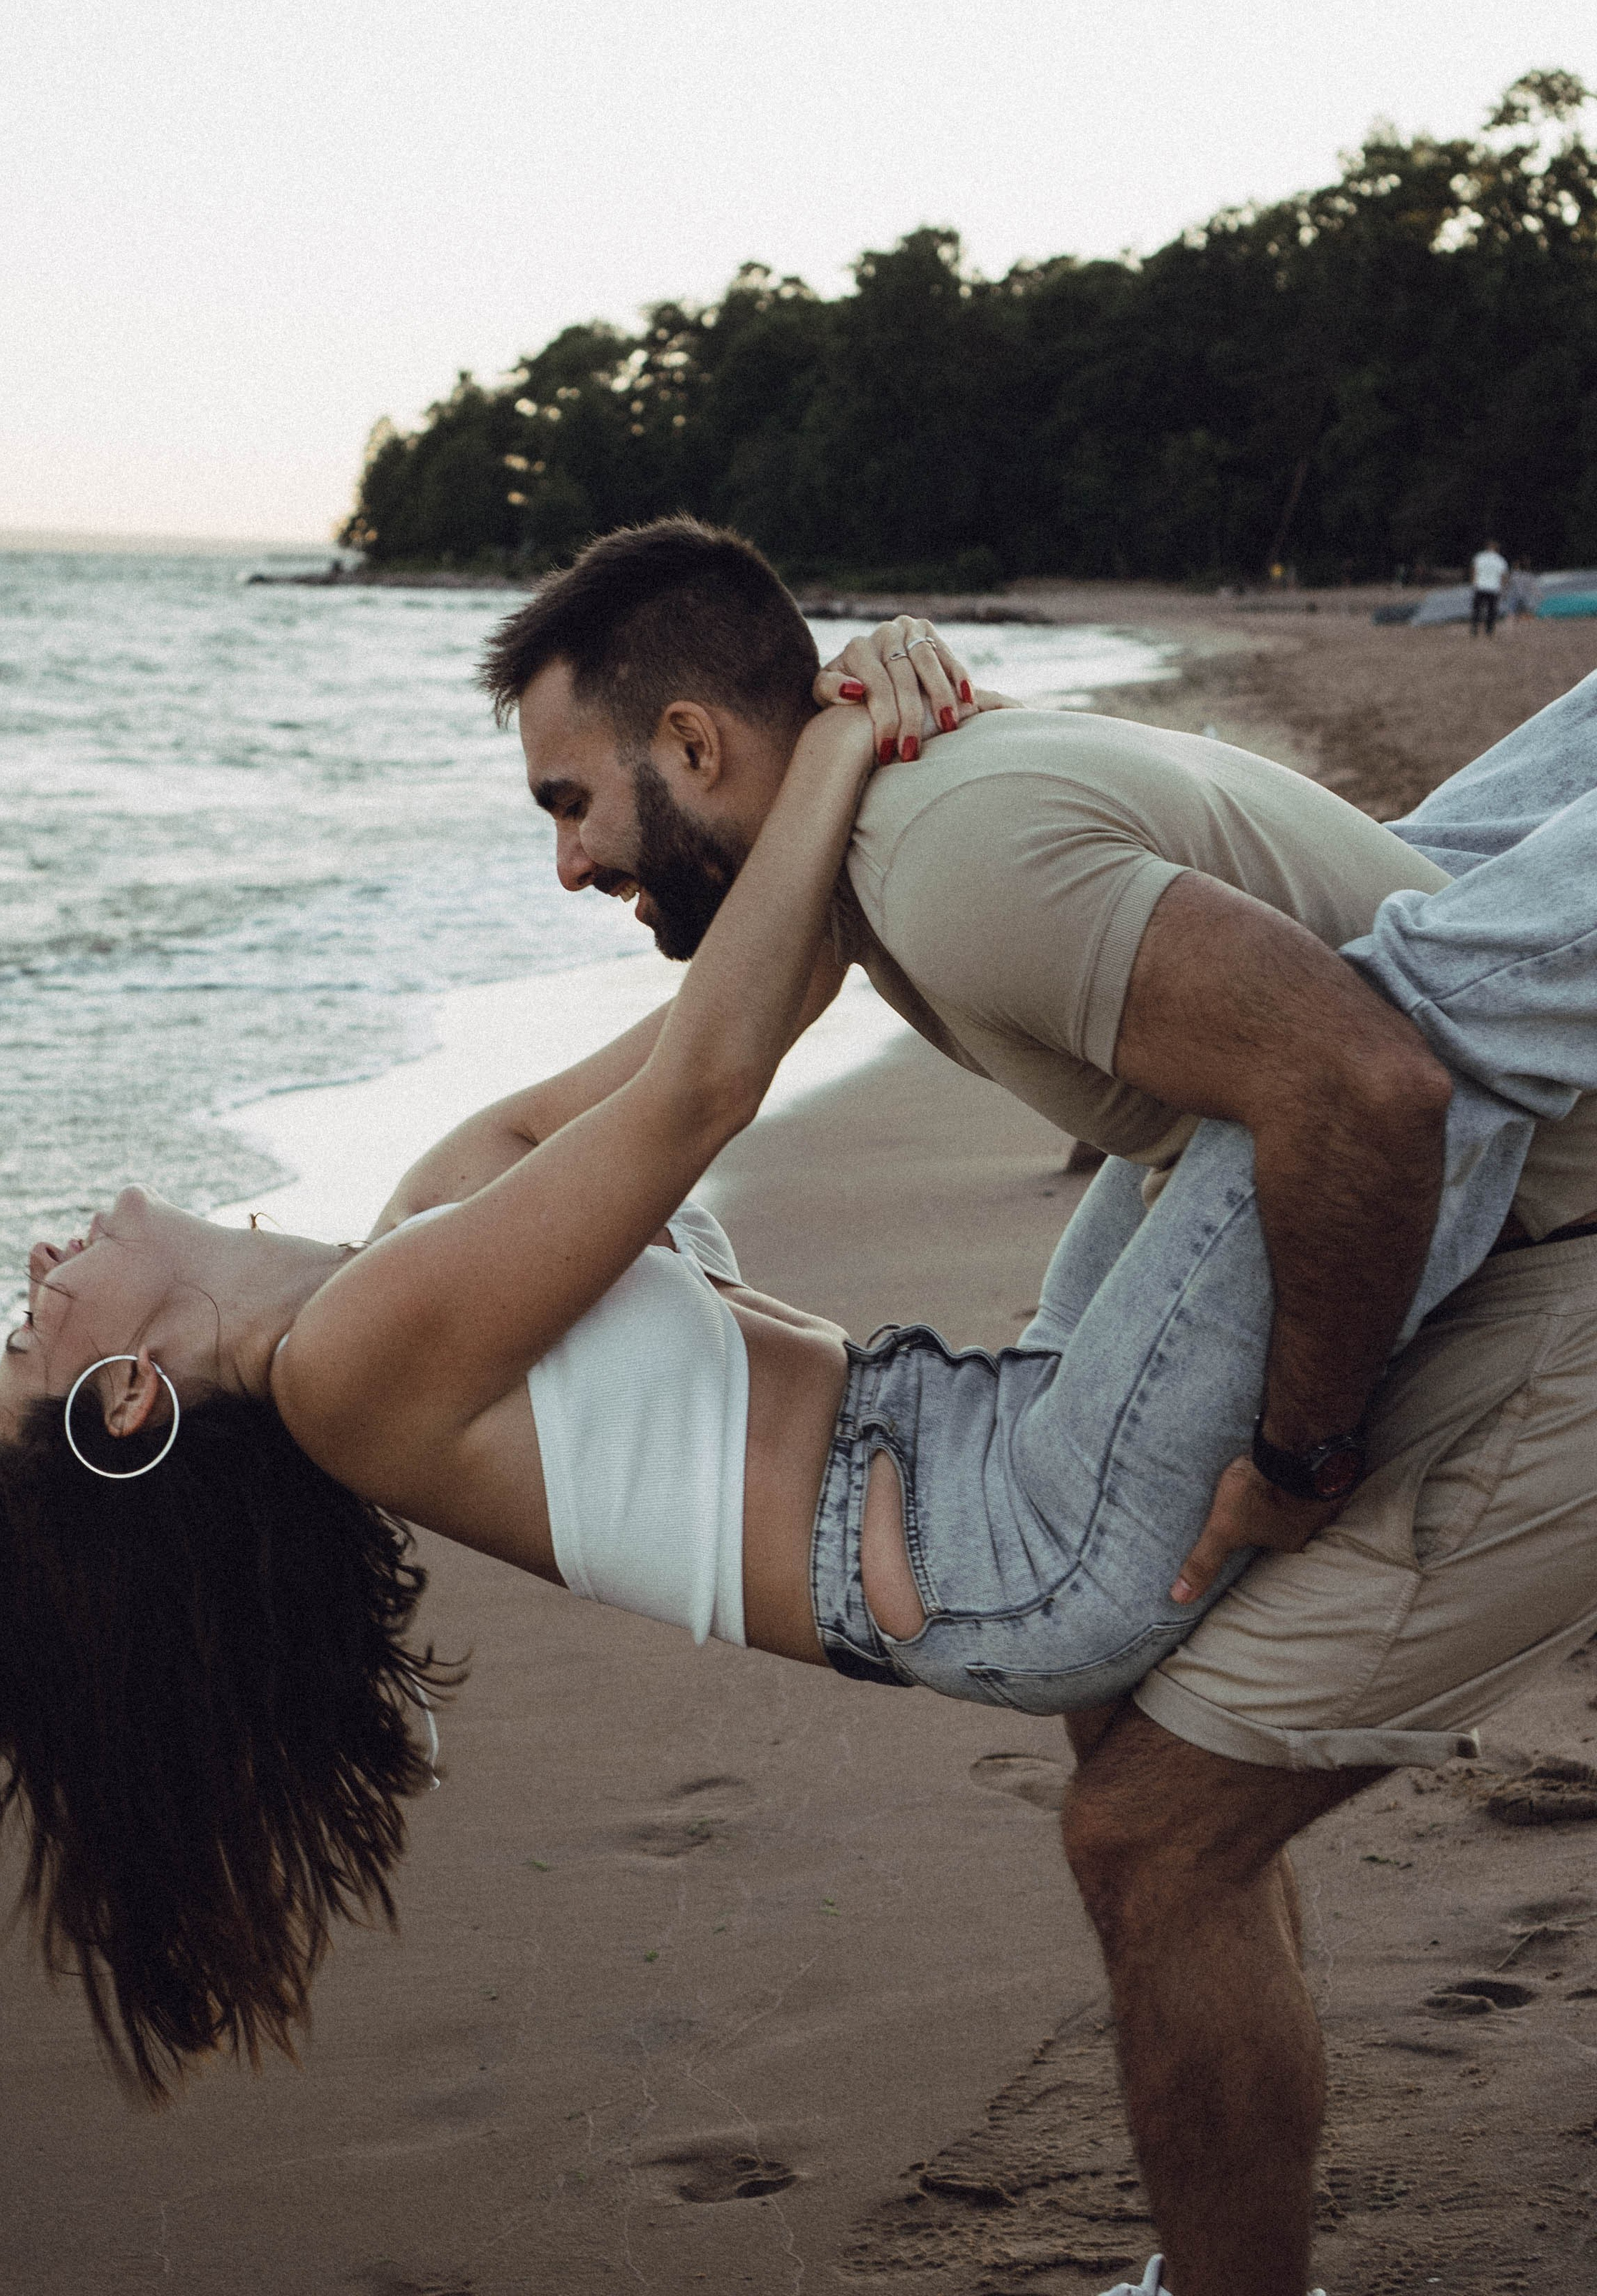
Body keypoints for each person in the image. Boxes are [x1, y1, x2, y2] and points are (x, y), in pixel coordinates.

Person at [482, 518, 1597, 2296]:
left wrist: (1300, 1450)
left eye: (567, 802)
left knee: (1150, 1833)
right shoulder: (898, 835)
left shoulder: (946, 862)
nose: (563, 861)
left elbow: (1367, 1088)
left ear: (692, 744)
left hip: (1552, 1257)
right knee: (1124, 1750)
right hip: (1488, 1207)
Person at [1470, 536, 1508, 634]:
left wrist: (1474, 582)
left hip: (1480, 586)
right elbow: (1503, 576)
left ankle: (1475, 628)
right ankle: (1489, 629)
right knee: (1492, 610)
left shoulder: (1479, 557)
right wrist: (1503, 588)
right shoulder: (1500, 560)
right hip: (1494, 588)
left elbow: (1474, 570)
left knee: (1477, 609)